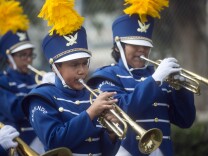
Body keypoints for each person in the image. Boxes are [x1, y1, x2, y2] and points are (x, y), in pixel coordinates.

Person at [87, 2, 196, 156]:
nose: (142, 50)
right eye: (135, 45)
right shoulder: (107, 76)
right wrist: (155, 80)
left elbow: (185, 120)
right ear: (118, 46)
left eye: (146, 45)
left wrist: (180, 89)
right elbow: (121, 109)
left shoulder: (159, 75)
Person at [22, 1, 120, 155]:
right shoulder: (41, 98)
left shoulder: (92, 96)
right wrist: (90, 113)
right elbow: (53, 141)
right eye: (74, 65)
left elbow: (105, 152)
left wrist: (111, 133)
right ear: (56, 68)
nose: (82, 71)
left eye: (84, 63)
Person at [0, 0, 45, 154]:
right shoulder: (3, 82)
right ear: (9, 58)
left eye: (29, 55)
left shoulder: (35, 79)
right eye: (22, 55)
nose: (28, 59)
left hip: (44, 140)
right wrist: (43, 92)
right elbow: (14, 111)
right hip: (21, 143)